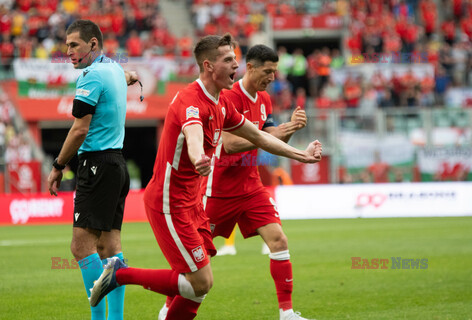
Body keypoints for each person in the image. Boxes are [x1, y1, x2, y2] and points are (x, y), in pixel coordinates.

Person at [89, 34, 322, 320]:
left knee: (198, 287)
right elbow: (194, 132)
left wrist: (302, 154)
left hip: (193, 203)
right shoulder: (191, 100)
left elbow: (259, 136)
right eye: (228, 60)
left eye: (235, 59)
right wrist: (199, 155)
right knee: (200, 282)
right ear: (209, 66)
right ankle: (121, 274)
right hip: (169, 203)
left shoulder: (222, 101)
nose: (235, 65)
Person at [201, 44, 311, 320]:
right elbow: (230, 143)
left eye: (275, 71)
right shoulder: (228, 96)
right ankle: (169, 306)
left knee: (278, 240)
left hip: (251, 187)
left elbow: (269, 137)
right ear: (250, 67)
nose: (273, 77)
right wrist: (279, 132)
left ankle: (286, 313)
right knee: (199, 255)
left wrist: (291, 128)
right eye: (268, 71)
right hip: (220, 189)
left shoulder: (264, 100)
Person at [46, 20, 137, 320]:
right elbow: (122, 77)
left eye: (74, 45)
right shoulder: (112, 68)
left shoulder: (90, 76)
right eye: (67, 45)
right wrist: (131, 75)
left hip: (96, 165)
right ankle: (115, 319)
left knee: (80, 246)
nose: (68, 51)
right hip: (117, 164)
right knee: (109, 247)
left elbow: (79, 130)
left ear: (93, 45)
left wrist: (58, 166)